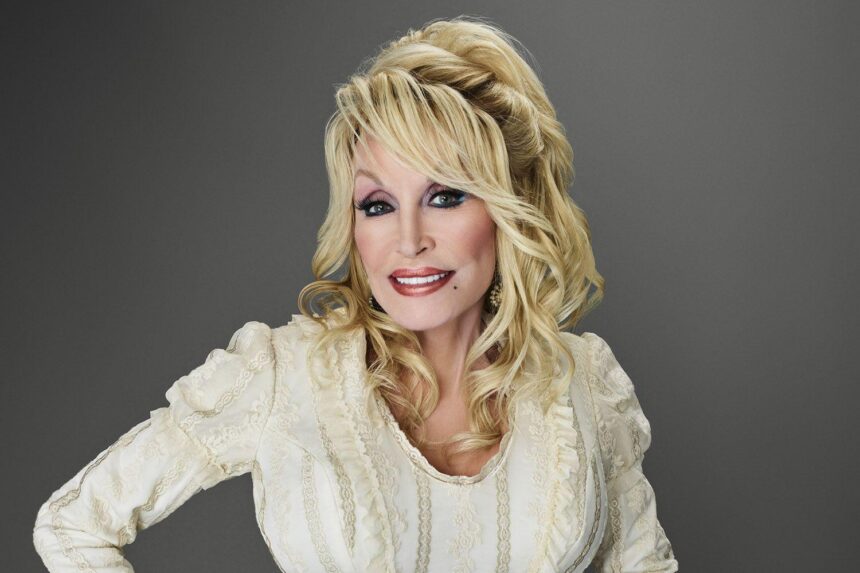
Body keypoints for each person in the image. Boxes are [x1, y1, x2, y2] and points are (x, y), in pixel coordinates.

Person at [33, 16, 678, 573]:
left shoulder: (584, 386)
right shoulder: (284, 376)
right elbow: (73, 526)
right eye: (377, 204)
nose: (409, 240)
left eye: (445, 196)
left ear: (509, 209)